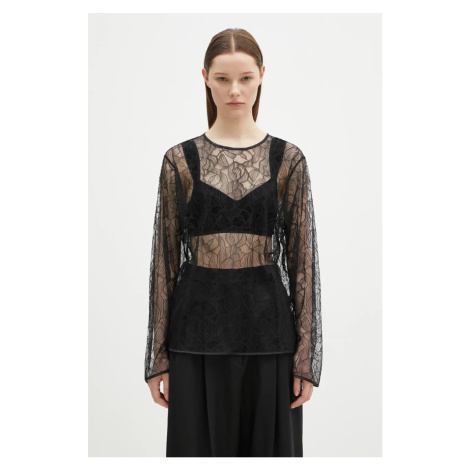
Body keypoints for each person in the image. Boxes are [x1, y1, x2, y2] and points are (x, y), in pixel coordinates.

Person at [144, 28, 322, 457]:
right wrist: (157, 356)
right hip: (194, 340)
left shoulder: (288, 160)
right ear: (205, 78)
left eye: (245, 78)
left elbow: (303, 263)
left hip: (270, 338)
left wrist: (306, 359)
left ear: (262, 76)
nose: (235, 90)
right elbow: (164, 262)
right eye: (223, 79)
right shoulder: (178, 161)